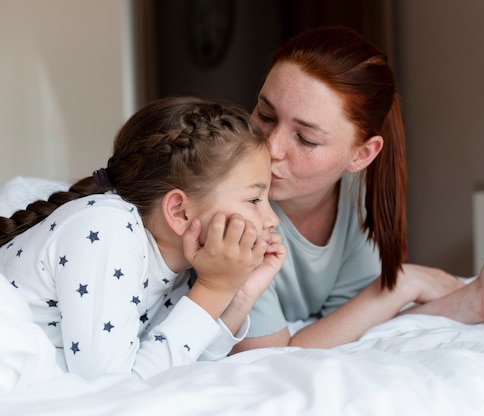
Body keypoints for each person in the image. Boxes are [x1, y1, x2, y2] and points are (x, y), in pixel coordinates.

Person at [232, 26, 484, 352]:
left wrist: (475, 301)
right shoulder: (227, 203)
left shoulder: (358, 195)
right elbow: (268, 357)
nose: (271, 147)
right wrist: (403, 283)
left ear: (361, 155)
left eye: (305, 139)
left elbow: (351, 322)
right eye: (265, 115)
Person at [0, 97, 286, 379]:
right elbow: (112, 386)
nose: (272, 219)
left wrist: (238, 293)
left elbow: (184, 359)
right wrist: (214, 290)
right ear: (180, 211)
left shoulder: (177, 260)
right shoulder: (107, 230)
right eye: (254, 199)